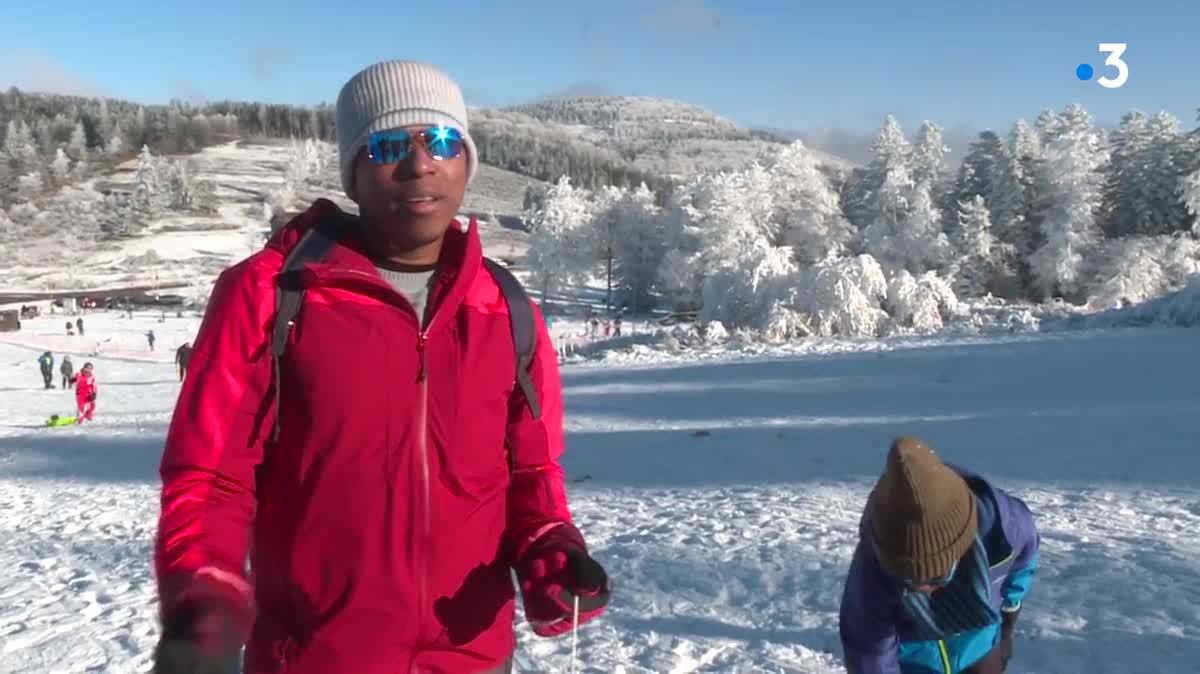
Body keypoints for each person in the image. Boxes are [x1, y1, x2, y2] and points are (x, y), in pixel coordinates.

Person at [152, 59, 610, 674]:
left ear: (466, 161)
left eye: (443, 141)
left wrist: (549, 553)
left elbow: (532, 471)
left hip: (472, 658)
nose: (421, 162)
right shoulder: (270, 296)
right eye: (390, 143)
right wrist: (202, 602)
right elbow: (210, 478)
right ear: (354, 173)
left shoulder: (505, 307)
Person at [839, 437, 1039, 674]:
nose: (921, 588)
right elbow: (870, 653)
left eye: (935, 578)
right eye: (907, 581)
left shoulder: (1005, 530)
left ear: (961, 547)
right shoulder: (874, 568)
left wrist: (1008, 620)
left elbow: (1023, 562)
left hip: (982, 647)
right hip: (916, 661)